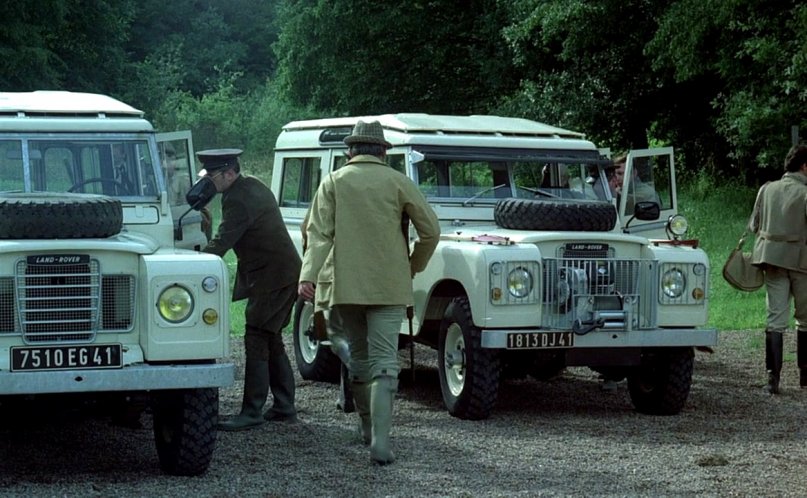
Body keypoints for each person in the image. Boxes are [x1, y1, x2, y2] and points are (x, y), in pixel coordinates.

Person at [299, 121, 440, 465]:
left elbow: (317, 234)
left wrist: (308, 275)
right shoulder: (398, 181)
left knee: (359, 357)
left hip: (346, 286)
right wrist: (411, 266)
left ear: (351, 150)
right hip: (389, 286)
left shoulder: (333, 182)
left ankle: (364, 428)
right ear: (383, 151)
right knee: (385, 362)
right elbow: (431, 232)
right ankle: (381, 441)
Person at [198, 148, 302, 430]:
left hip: (273, 278)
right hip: (280, 274)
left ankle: (252, 411)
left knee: (257, 335)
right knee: (270, 336)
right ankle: (284, 406)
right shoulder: (249, 186)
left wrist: (191, 263)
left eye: (212, 176)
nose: (208, 181)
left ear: (230, 173)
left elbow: (222, 242)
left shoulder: (239, 200)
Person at [749, 144, 807, 394]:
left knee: (775, 319)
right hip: (802, 262)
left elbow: (754, 225)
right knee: (805, 320)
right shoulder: (806, 193)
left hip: (771, 259)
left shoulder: (766, 189)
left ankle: (773, 379)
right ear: (805, 166)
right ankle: (805, 376)